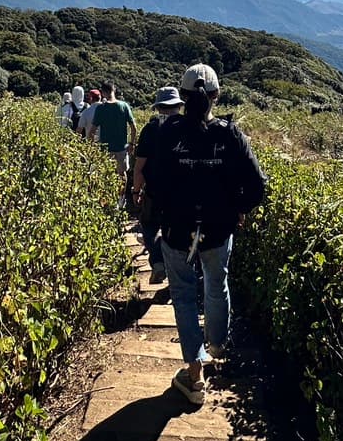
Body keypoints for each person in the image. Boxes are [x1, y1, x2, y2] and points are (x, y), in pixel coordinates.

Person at [148, 63, 267, 406]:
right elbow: (257, 187)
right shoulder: (230, 135)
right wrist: (235, 208)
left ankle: (195, 377)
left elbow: (155, 184)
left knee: (184, 297)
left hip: (176, 231)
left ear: (182, 97)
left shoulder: (168, 134)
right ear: (216, 96)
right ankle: (216, 345)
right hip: (218, 230)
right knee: (217, 284)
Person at [132, 86, 183, 283]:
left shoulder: (150, 130)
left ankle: (158, 262)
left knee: (149, 227)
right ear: (179, 106)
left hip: (154, 191)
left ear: (158, 108)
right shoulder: (188, 128)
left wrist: (136, 191)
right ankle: (176, 274)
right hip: (181, 194)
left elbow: (139, 167)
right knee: (178, 234)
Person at [85, 81, 136, 191]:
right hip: (121, 148)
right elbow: (133, 127)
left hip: (105, 149)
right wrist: (131, 143)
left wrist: (91, 148)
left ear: (103, 93)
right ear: (114, 90)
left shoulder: (101, 109)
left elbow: (92, 132)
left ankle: (107, 200)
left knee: (105, 174)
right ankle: (121, 200)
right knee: (122, 175)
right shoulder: (124, 106)